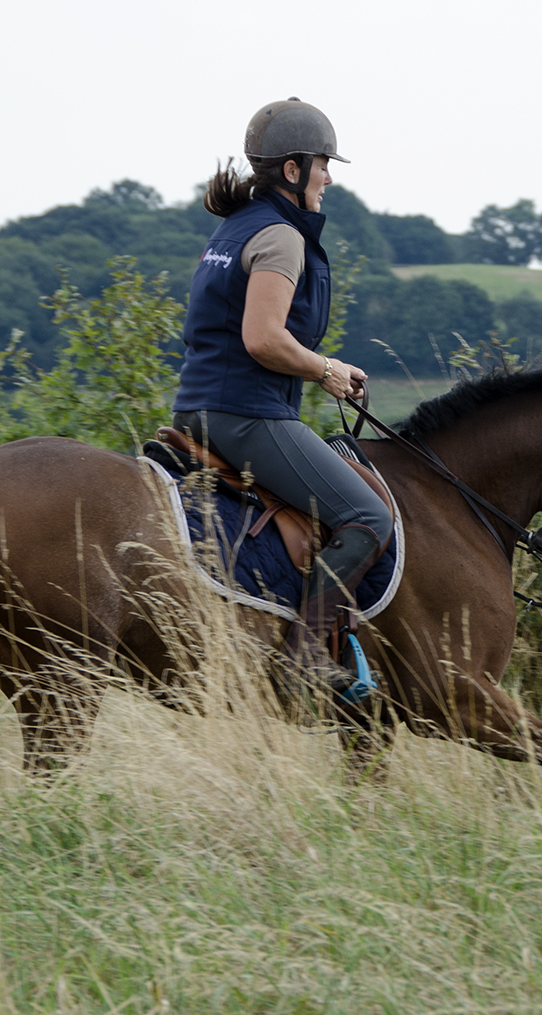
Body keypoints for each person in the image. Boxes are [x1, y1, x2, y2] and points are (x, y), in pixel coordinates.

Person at [172, 97, 391, 694]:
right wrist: (325, 371)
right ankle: (303, 658)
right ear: (292, 170)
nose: (329, 177)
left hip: (198, 405)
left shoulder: (233, 228)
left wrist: (325, 367)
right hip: (246, 415)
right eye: (323, 164)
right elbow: (264, 339)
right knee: (370, 516)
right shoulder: (281, 237)